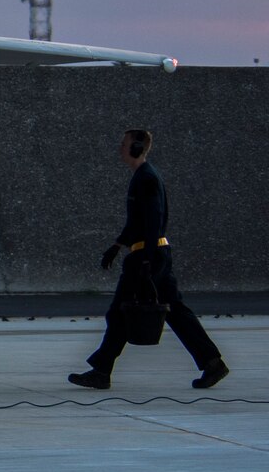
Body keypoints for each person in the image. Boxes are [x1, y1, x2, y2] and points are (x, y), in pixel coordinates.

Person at [69, 129, 228, 390]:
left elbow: (153, 220)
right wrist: (117, 245)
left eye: (124, 144)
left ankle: (101, 371)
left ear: (137, 148)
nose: (120, 149)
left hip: (147, 255)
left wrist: (146, 260)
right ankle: (212, 363)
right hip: (152, 254)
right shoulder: (143, 177)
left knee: (120, 311)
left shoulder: (146, 178)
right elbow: (137, 221)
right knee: (175, 312)